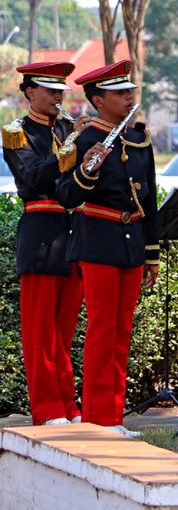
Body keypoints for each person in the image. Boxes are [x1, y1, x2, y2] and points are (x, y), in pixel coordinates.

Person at [56, 60, 158, 437]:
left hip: (130, 242)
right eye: (119, 93)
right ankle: (98, 417)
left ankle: (113, 416)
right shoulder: (81, 140)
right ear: (98, 100)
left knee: (121, 331)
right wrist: (87, 170)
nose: (128, 97)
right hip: (97, 239)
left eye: (129, 91)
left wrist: (151, 253)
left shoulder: (139, 139)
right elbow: (66, 196)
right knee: (102, 330)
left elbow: (147, 200)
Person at [2, 61, 86, 426]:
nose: (57, 98)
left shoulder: (70, 128)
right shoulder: (16, 132)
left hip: (74, 234)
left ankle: (69, 406)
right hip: (40, 233)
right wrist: (71, 148)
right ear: (29, 92)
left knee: (66, 333)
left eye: (60, 92)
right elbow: (34, 175)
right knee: (41, 335)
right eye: (50, 92)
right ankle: (48, 409)